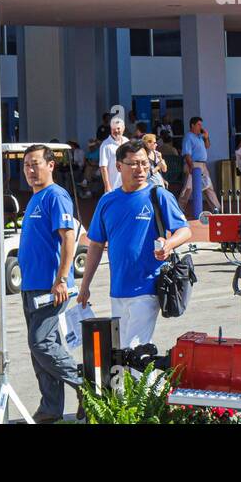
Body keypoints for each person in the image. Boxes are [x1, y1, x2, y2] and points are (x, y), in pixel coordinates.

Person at [79, 140, 191, 349]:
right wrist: (85, 286)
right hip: (118, 290)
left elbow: (185, 230)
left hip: (147, 286)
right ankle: (150, 382)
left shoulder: (158, 196)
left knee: (134, 348)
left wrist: (168, 244)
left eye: (144, 163)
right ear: (119, 166)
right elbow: (95, 245)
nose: (140, 169)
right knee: (122, 350)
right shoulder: (107, 201)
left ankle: (146, 382)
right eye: (133, 164)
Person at [16, 144, 80, 423]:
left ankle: (88, 387)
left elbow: (68, 238)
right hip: (31, 284)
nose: (31, 170)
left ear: (51, 165)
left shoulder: (56, 195)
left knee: (41, 343)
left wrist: (62, 279)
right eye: (27, 165)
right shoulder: (35, 198)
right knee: (40, 347)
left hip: (50, 286)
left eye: (36, 164)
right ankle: (51, 407)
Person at [181, 116, 220, 215]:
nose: (200, 127)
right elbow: (187, 154)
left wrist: (206, 137)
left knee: (208, 187)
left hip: (203, 165)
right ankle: (179, 210)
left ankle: (217, 209)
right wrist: (191, 167)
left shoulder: (199, 137)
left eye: (201, 125)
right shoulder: (188, 136)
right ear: (192, 125)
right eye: (198, 125)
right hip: (193, 163)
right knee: (188, 189)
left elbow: (207, 146)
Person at [98, 116, 127, 193]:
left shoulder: (127, 141)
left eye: (118, 128)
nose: (116, 131)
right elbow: (103, 167)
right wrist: (107, 186)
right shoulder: (105, 145)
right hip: (113, 187)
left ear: (123, 128)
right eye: (113, 129)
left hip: (127, 185)